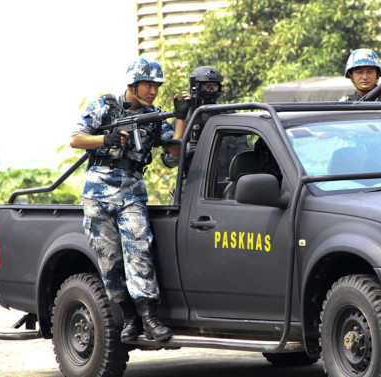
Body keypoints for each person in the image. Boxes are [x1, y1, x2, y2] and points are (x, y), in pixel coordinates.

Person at [70, 57, 186, 343]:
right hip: (98, 192)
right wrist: (105, 140)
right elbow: (76, 138)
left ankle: (150, 318)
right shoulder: (104, 107)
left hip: (132, 190)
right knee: (109, 259)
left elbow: (176, 149)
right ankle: (130, 318)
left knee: (139, 250)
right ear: (132, 85)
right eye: (148, 85)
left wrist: (181, 115)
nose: (153, 91)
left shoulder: (155, 116)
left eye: (156, 86)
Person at [162, 66, 248, 175]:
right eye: (207, 87)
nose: (211, 91)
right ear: (197, 88)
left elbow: (243, 154)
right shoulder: (184, 120)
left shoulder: (229, 118)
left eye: (214, 87)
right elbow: (168, 161)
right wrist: (185, 149)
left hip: (226, 183)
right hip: (195, 184)